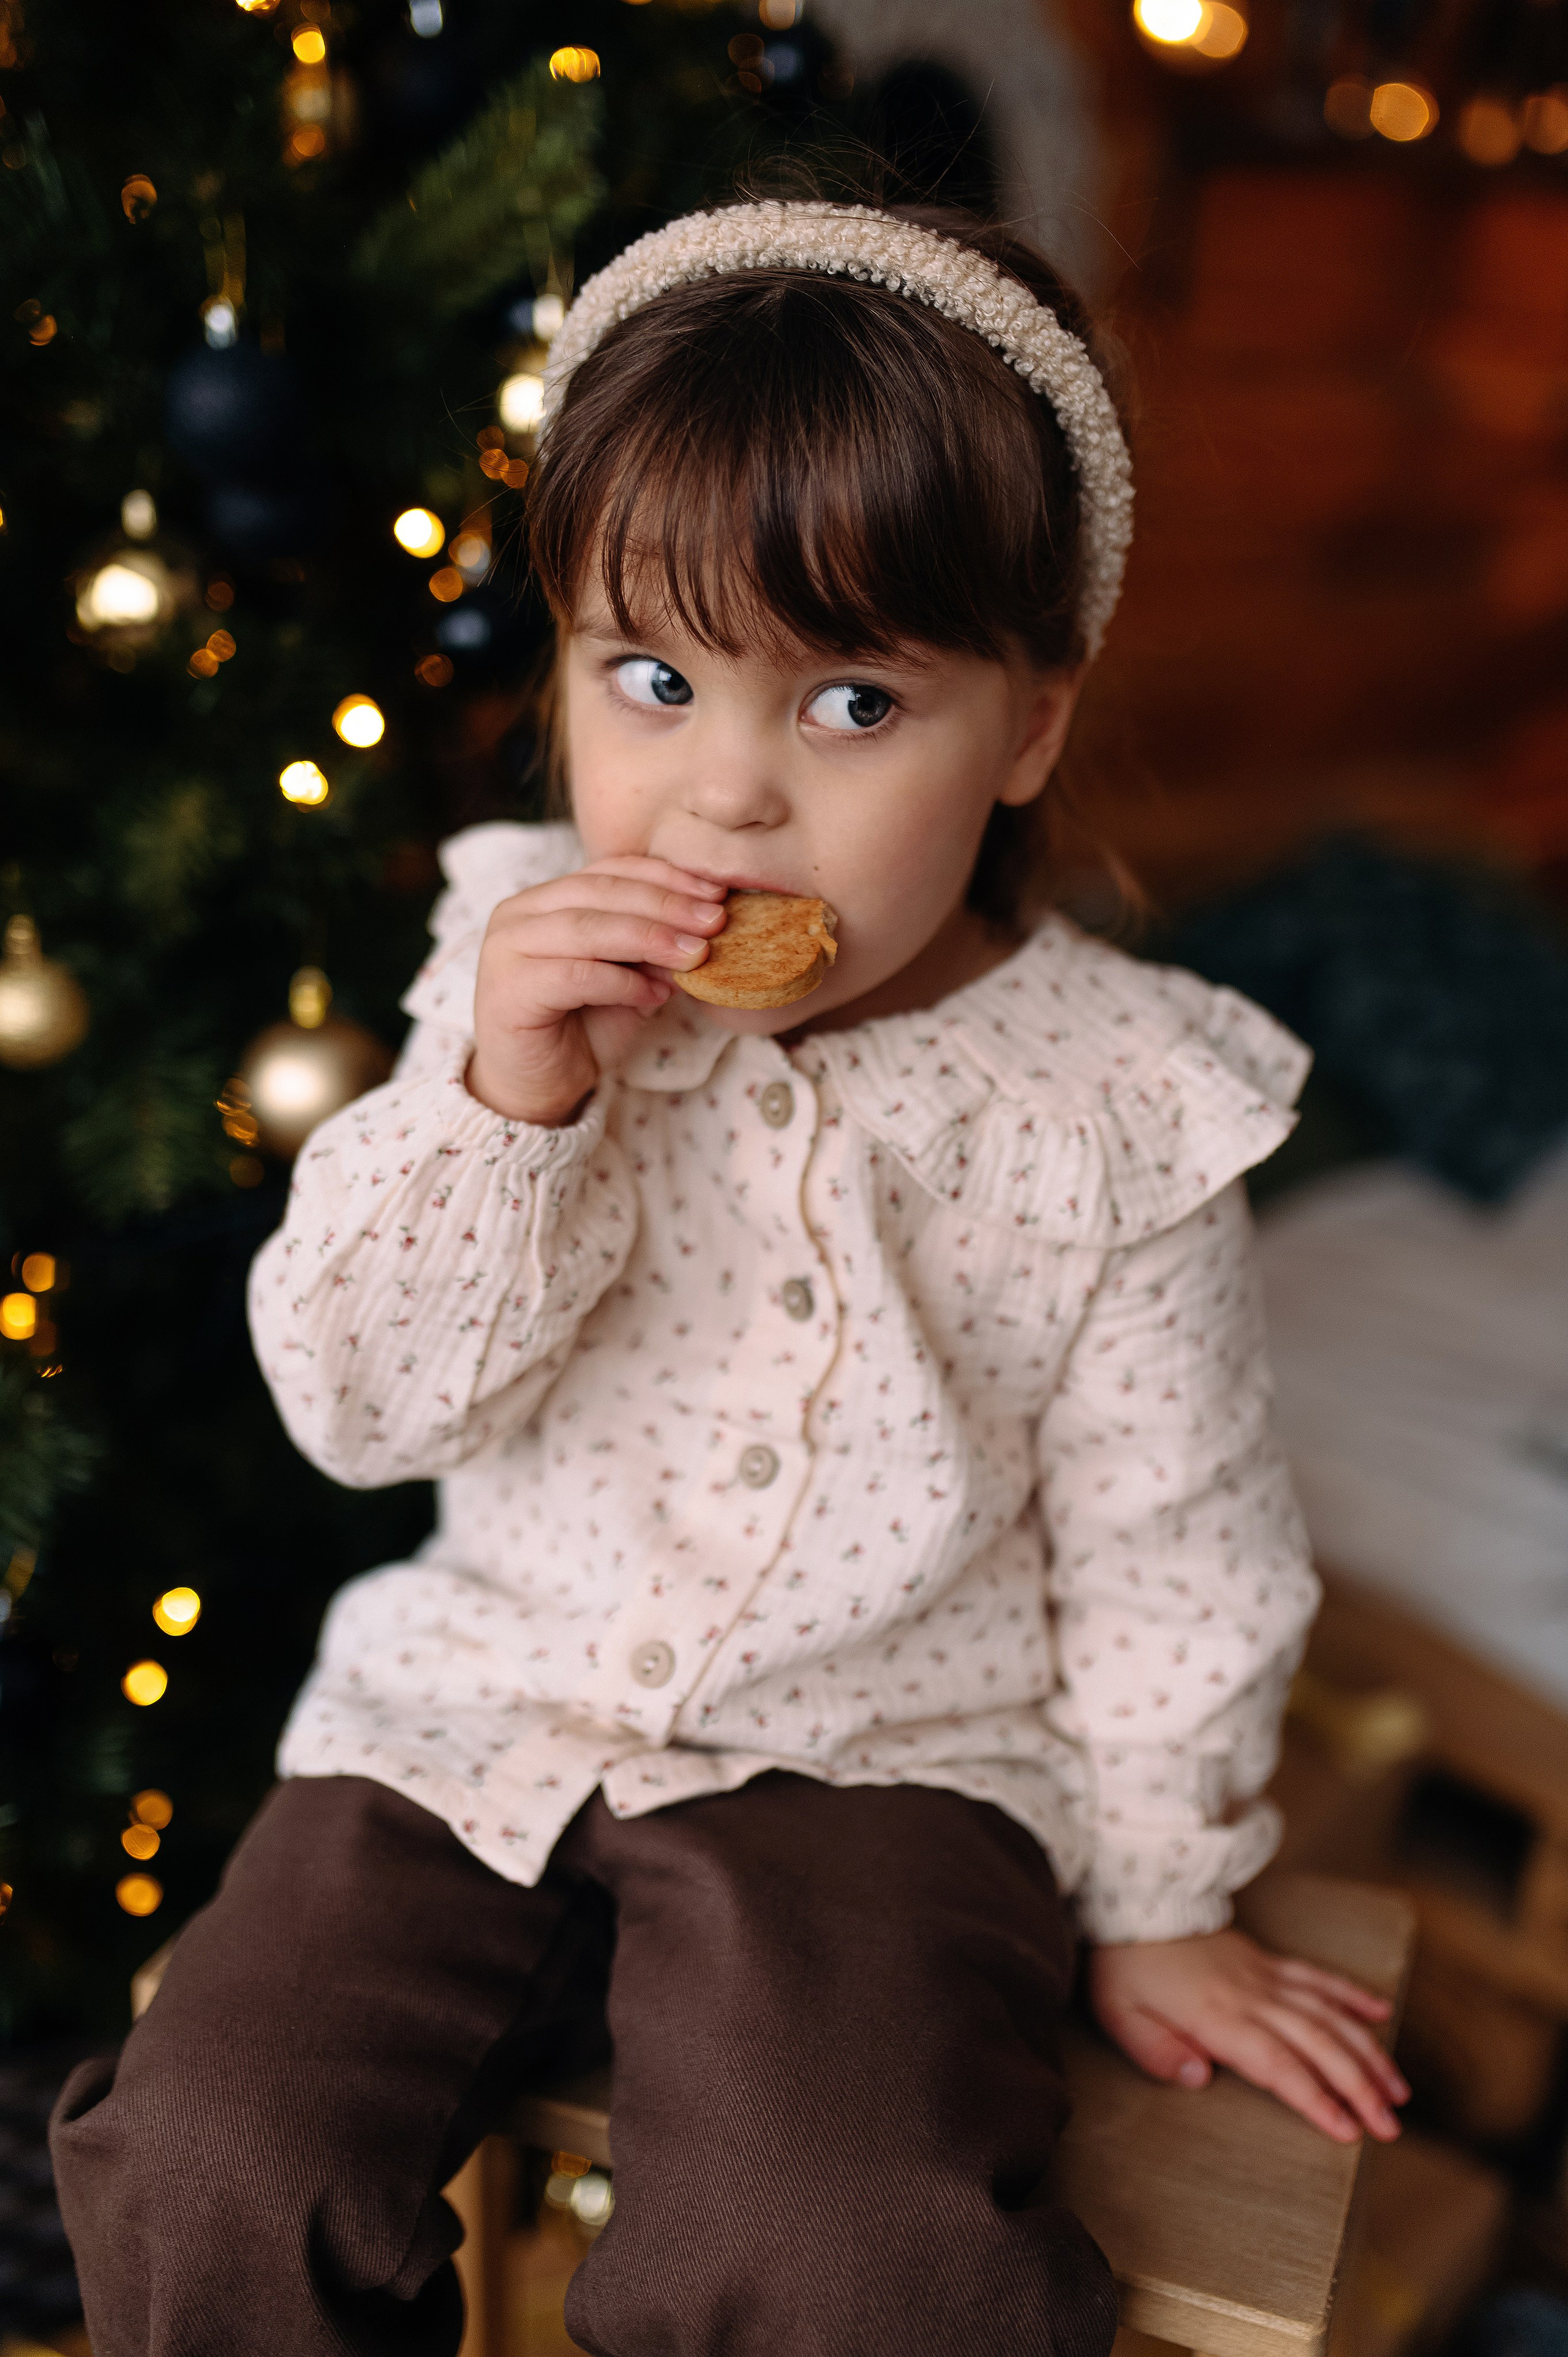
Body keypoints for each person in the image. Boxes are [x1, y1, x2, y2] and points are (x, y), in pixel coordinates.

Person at [52, 196, 1408, 2357]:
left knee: (850, 2238)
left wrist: (1162, 1905)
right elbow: (357, 1407)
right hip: (468, 1715)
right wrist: (510, 1108)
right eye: (653, 679)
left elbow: (1180, 1551)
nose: (727, 799)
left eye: (856, 700)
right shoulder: (507, 964)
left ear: (1030, 727)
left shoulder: (1124, 1105)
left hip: (889, 1766)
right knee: (214, 2147)